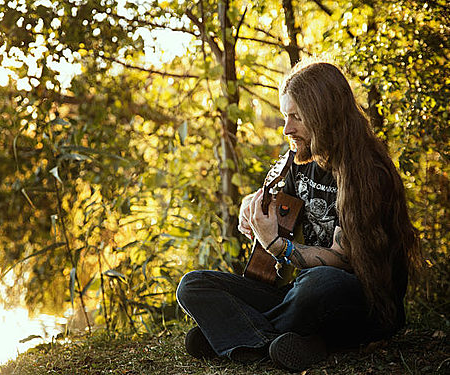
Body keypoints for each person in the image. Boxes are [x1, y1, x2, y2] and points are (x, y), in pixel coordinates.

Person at [175, 61, 420, 371]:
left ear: (324, 116)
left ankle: (240, 335)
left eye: (296, 118)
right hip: (298, 297)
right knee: (193, 285)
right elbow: (276, 208)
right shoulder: (301, 158)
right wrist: (252, 208)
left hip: (359, 303)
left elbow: (345, 260)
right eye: (285, 116)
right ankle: (288, 343)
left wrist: (277, 245)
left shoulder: (366, 172)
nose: (286, 129)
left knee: (320, 282)